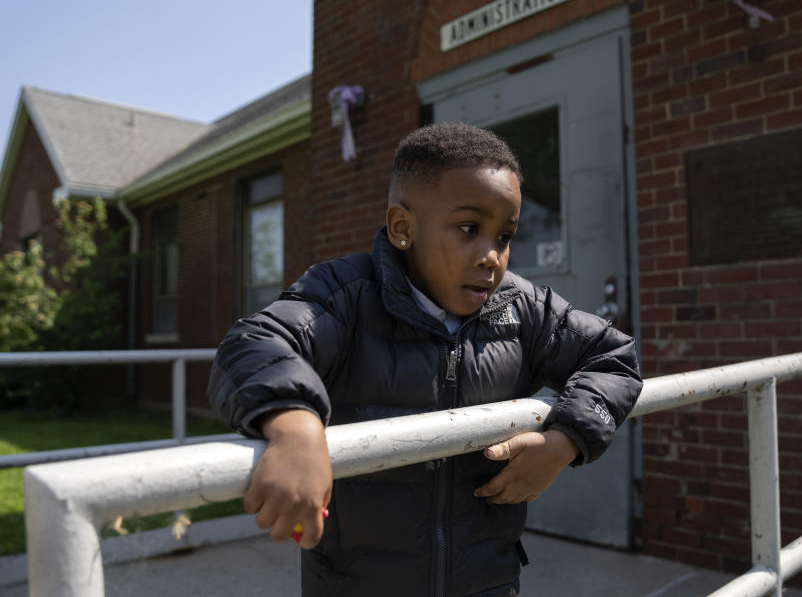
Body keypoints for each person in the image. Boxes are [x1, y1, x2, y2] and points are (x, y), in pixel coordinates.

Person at [208, 122, 643, 596]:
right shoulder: (345, 294)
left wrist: (566, 442)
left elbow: (615, 357)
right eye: (469, 229)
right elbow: (252, 342)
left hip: (487, 583)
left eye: (504, 236)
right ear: (402, 228)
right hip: (356, 585)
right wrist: (295, 426)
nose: (491, 257)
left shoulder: (526, 309)